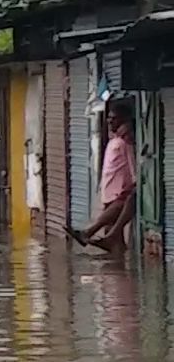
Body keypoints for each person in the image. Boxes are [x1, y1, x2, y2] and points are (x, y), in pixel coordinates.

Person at [68, 102, 136, 253]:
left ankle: (89, 232)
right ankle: (118, 271)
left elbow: (132, 166)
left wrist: (133, 183)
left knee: (113, 235)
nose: (110, 121)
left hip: (119, 192)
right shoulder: (115, 140)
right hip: (109, 192)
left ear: (124, 119)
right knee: (114, 239)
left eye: (114, 118)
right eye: (109, 118)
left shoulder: (125, 141)